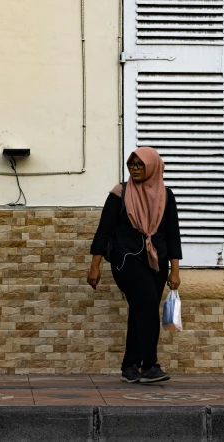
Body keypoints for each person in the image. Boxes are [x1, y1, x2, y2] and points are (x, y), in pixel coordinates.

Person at [87, 147, 182, 384]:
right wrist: (95, 266)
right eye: (132, 164)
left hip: (157, 264)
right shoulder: (120, 194)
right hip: (126, 261)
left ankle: (130, 367)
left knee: (141, 312)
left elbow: (172, 235)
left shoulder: (166, 196)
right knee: (148, 307)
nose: (135, 168)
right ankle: (149, 365)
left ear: (153, 167)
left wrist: (175, 270)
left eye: (140, 165)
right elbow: (104, 231)